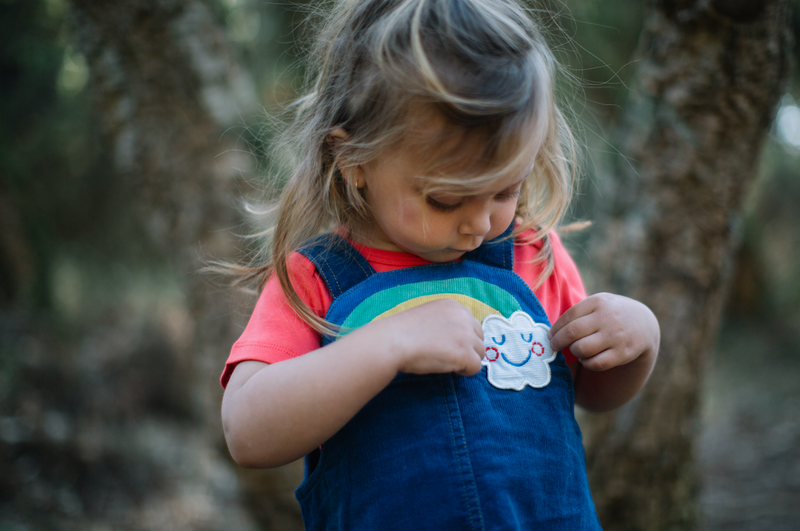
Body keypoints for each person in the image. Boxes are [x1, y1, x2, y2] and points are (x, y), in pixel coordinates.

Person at [220, 0, 660, 529]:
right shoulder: (318, 278)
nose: (478, 224)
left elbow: (587, 391)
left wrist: (636, 344)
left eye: (505, 190)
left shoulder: (530, 254)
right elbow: (247, 431)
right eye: (446, 201)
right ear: (355, 162)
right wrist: (388, 344)